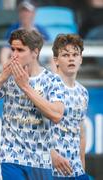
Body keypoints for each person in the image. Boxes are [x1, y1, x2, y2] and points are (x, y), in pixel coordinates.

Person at [0, 29, 65, 180]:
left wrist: (26, 87)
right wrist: (1, 78)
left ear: (35, 52)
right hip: (10, 157)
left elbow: (56, 115)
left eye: (20, 50)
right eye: (12, 49)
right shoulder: (8, 78)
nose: (14, 54)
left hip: (41, 160)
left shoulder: (52, 80)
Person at [49, 34, 89, 179]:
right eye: (65, 55)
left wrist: (82, 165)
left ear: (81, 59)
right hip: (51, 172)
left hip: (77, 171)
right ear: (56, 60)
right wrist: (51, 154)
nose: (71, 58)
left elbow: (81, 131)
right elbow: (33, 129)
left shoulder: (83, 92)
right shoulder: (47, 86)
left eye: (75, 54)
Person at [0, 1, 49, 66]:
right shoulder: (13, 28)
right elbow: (5, 48)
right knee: (5, 50)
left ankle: (56, 75)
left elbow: (50, 47)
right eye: (22, 11)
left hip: (39, 61)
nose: (24, 14)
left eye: (27, 11)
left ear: (33, 13)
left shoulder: (40, 29)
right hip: (19, 59)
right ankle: (6, 71)